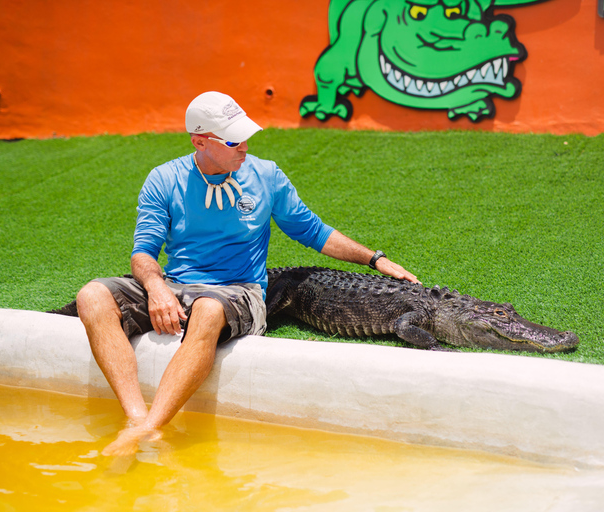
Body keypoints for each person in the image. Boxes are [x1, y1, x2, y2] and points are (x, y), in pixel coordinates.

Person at [76, 91, 419, 456]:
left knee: (208, 309)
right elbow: (143, 253)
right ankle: (135, 419)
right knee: (91, 295)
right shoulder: (164, 179)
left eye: (245, 136)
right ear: (200, 141)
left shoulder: (266, 175)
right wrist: (156, 287)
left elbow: (314, 231)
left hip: (238, 291)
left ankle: (151, 425)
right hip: (177, 285)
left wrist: (375, 259)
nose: (244, 146)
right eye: (233, 139)